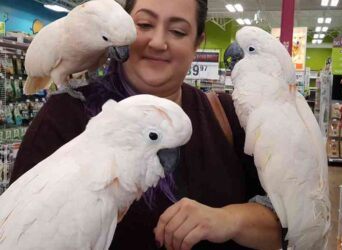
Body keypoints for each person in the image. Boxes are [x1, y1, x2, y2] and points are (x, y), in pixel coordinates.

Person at [10, 0, 283, 249]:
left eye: (178, 31)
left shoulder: (231, 114)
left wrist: (229, 219)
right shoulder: (65, 115)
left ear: (198, 41)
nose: (157, 42)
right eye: (144, 25)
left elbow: (286, 228)